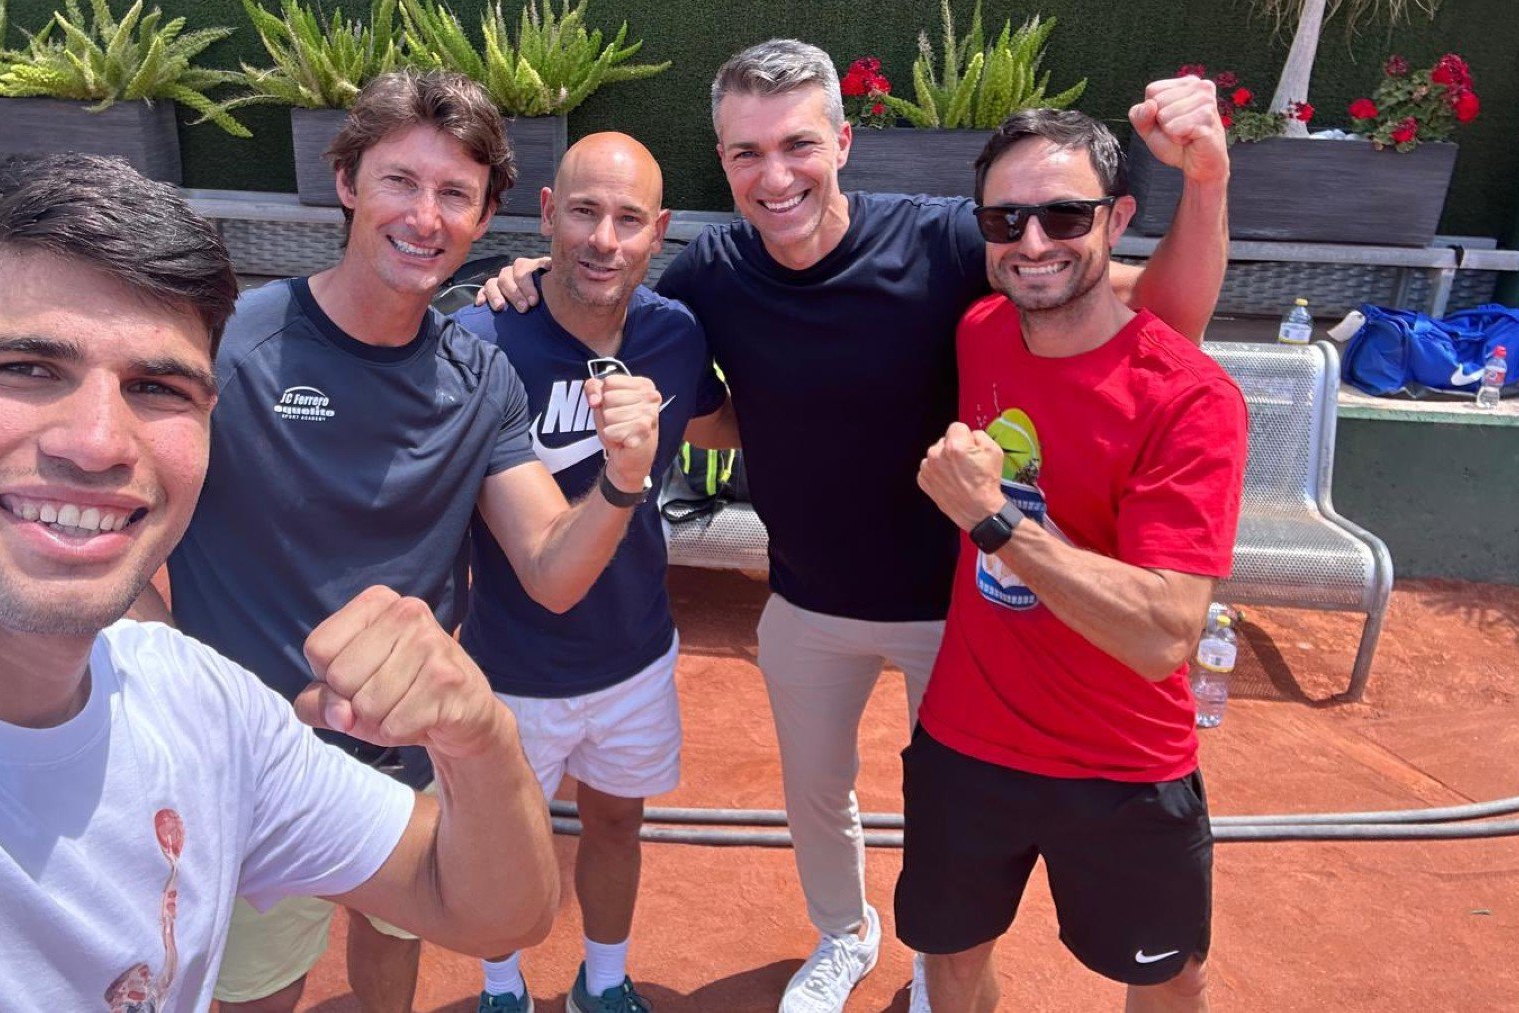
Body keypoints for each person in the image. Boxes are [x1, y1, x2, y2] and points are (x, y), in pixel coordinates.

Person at [478, 38, 1231, 1013]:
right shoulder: (712, 272)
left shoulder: (949, 242)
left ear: (841, 141)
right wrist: (537, 273)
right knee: (817, 797)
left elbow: (1154, 330)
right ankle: (845, 932)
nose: (774, 174)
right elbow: (684, 375)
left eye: (796, 144)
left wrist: (1208, 182)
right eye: (746, 153)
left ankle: (934, 963)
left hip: (959, 610)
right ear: (724, 161)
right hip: (805, 596)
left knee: (948, 814)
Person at [0, 152, 559, 1011]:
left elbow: (488, 906)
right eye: (24, 367)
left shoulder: (206, 707)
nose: (97, 441)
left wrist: (481, 741)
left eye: (155, 386)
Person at [157, 71, 661, 1013]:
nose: (424, 217)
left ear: (486, 216)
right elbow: (129, 557)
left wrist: (623, 476)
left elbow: (553, 570)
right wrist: (200, 702)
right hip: (254, 774)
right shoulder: (228, 347)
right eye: (400, 182)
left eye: (454, 195)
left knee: (392, 971)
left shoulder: (481, 379)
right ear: (348, 182)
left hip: (405, 768)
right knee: (253, 996)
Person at [900, 110, 1247, 1013]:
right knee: (953, 954)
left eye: (1064, 216)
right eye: (1005, 220)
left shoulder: (1191, 399)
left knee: (1165, 980)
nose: (1032, 242)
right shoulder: (982, 330)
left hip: (1125, 761)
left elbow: (1166, 632)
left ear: (1117, 218)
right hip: (968, 738)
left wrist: (995, 523)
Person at [452, 132, 731, 1013]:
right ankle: (502, 987)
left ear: (660, 232)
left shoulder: (675, 337)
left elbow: (723, 426)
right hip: (509, 662)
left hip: (634, 652)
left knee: (617, 821)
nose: (604, 239)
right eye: (583, 212)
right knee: (498, 843)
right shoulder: (481, 335)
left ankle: (602, 983)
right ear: (545, 214)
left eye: (627, 218)